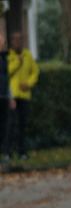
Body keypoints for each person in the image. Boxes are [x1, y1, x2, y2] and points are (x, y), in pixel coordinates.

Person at [7, 32, 39, 160]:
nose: (18, 43)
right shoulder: (8, 56)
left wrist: (28, 84)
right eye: (15, 40)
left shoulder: (27, 55)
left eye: (20, 40)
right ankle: (8, 152)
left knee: (22, 125)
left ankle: (22, 152)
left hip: (25, 95)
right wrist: (17, 63)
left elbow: (35, 72)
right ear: (12, 43)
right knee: (11, 125)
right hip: (13, 96)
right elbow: (7, 72)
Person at [0, 35, 13, 165]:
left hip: (4, 96)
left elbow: (8, 79)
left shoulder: (5, 58)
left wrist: (10, 96)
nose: (3, 44)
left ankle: (6, 152)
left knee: (6, 127)